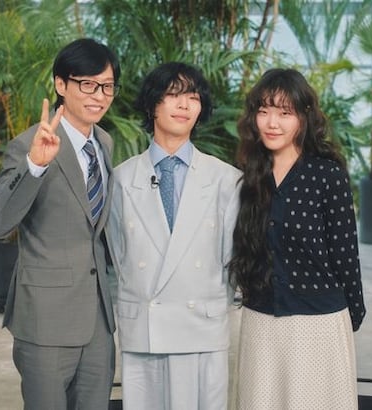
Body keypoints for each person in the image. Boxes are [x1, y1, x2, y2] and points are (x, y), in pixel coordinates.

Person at [0, 38, 120, 410]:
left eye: (107, 86)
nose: (99, 96)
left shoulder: (104, 142)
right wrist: (35, 166)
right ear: (61, 84)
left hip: (98, 319)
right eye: (87, 84)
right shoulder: (28, 144)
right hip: (46, 319)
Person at [228, 68, 366, 410]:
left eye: (284, 113)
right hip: (260, 321)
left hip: (317, 323)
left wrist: (352, 313)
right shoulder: (247, 176)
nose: (272, 123)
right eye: (264, 111)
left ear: (303, 118)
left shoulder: (327, 175)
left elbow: (345, 253)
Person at [106, 62, 241, 410]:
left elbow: (231, 263)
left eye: (193, 97)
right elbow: (120, 259)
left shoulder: (227, 180)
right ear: (152, 103)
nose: (184, 105)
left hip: (203, 330)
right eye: (173, 94)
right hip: (145, 329)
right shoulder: (120, 180)